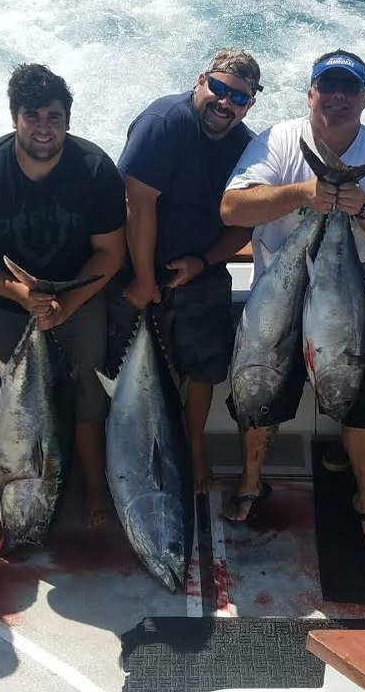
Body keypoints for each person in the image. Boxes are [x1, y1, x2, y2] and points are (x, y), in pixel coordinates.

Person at [220, 50, 365, 547]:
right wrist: (304, 193)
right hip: (278, 301)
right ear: (310, 94)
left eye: (349, 88)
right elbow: (232, 209)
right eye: (327, 87)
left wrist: (364, 208)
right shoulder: (277, 140)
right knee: (260, 396)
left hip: (351, 306)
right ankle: (251, 480)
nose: (338, 97)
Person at [0, 63, 125, 529]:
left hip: (77, 299)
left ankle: (94, 485)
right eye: (32, 116)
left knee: (88, 397)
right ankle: (4, 478)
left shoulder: (95, 168)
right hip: (3, 302)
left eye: (54, 117)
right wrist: (20, 294)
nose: (44, 128)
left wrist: (67, 305)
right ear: (14, 118)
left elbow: (110, 251)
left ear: (67, 121)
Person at [108, 49, 261, 492]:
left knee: (204, 367)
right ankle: (127, 450)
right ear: (200, 80)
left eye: (239, 97)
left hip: (199, 269)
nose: (225, 102)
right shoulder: (164, 122)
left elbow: (244, 224)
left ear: (250, 104)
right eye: (219, 88)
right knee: (120, 369)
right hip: (136, 267)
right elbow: (138, 205)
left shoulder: (245, 146)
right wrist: (143, 279)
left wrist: (203, 262)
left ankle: (193, 449)